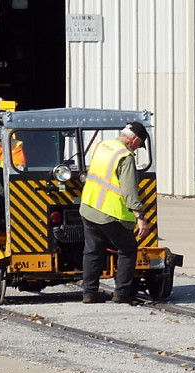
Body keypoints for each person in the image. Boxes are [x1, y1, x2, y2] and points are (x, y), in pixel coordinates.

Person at [79, 121, 150, 304]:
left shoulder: (103, 145)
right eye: (139, 145)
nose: (137, 149)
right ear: (134, 140)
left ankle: (89, 293)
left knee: (93, 250)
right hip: (109, 213)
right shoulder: (125, 156)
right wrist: (140, 217)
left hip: (88, 206)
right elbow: (129, 190)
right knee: (127, 249)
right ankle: (122, 293)